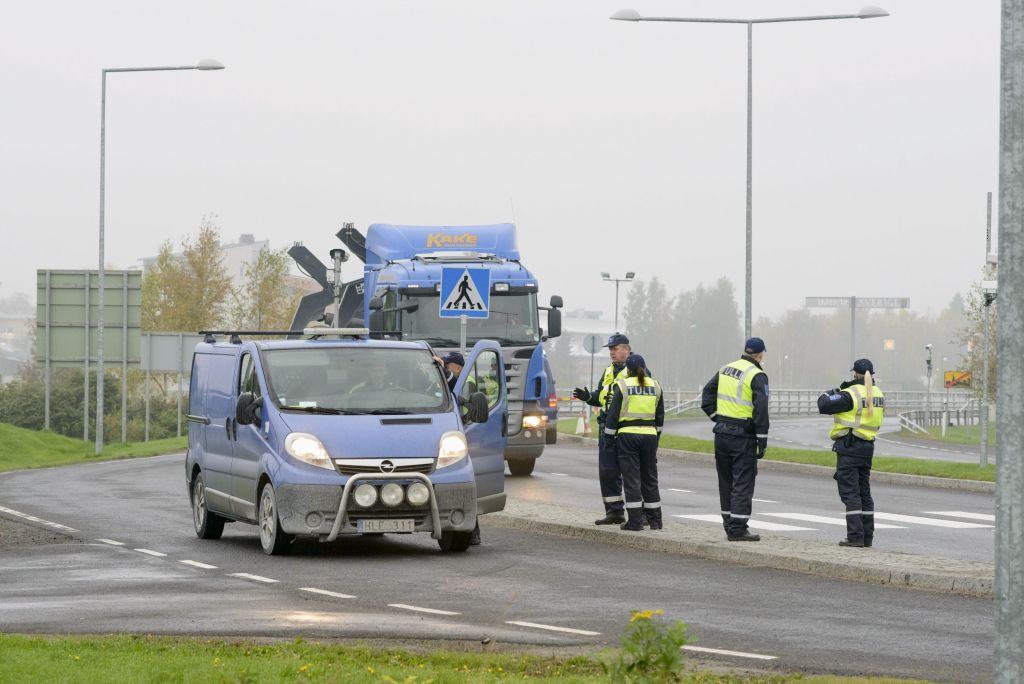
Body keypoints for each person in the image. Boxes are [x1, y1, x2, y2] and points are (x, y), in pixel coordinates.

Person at [701, 337, 770, 542]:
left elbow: (707, 394)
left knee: (726, 481)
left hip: (721, 433)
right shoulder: (757, 375)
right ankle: (738, 528)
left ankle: (729, 524)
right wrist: (762, 440)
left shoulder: (726, 369)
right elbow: (761, 409)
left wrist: (717, 418)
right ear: (760, 354)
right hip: (743, 435)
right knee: (743, 481)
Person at [817, 359, 885, 548]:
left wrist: (830, 392)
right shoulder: (878, 393)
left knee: (850, 493)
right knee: (864, 493)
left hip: (849, 447)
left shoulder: (850, 394)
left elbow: (823, 405)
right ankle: (867, 536)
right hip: (867, 448)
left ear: (855, 373)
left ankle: (855, 536)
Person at [573, 332, 632, 525]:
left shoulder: (635, 369)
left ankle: (638, 515)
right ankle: (614, 512)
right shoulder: (608, 371)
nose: (612, 353)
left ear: (626, 349)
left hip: (625, 429)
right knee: (607, 472)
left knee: (630, 472)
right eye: (610, 350)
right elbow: (600, 396)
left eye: (615, 349)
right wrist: (588, 397)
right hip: (606, 429)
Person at [604, 354, 664, 531]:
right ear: (644, 368)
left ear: (628, 370)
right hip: (650, 436)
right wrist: (656, 438)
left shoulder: (623, 385)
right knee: (650, 478)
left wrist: (608, 439)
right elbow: (660, 417)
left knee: (632, 480)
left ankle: (635, 522)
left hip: (628, 436)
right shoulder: (656, 385)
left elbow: (613, 416)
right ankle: (655, 521)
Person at [433, 350, 481, 546]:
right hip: (456, 435)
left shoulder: (466, 383)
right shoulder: (451, 380)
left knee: (463, 487)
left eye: (447, 365)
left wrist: (443, 372)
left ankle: (471, 533)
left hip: (465, 435)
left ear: (458, 368)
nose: (443, 367)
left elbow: (454, 388)